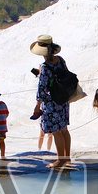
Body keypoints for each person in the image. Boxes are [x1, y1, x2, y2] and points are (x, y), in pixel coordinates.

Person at [31, 36, 73, 169]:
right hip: (63, 98)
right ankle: (67, 158)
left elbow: (42, 89)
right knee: (64, 129)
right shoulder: (60, 60)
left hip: (51, 101)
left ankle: (60, 160)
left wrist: (38, 106)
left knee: (56, 131)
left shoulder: (44, 67)